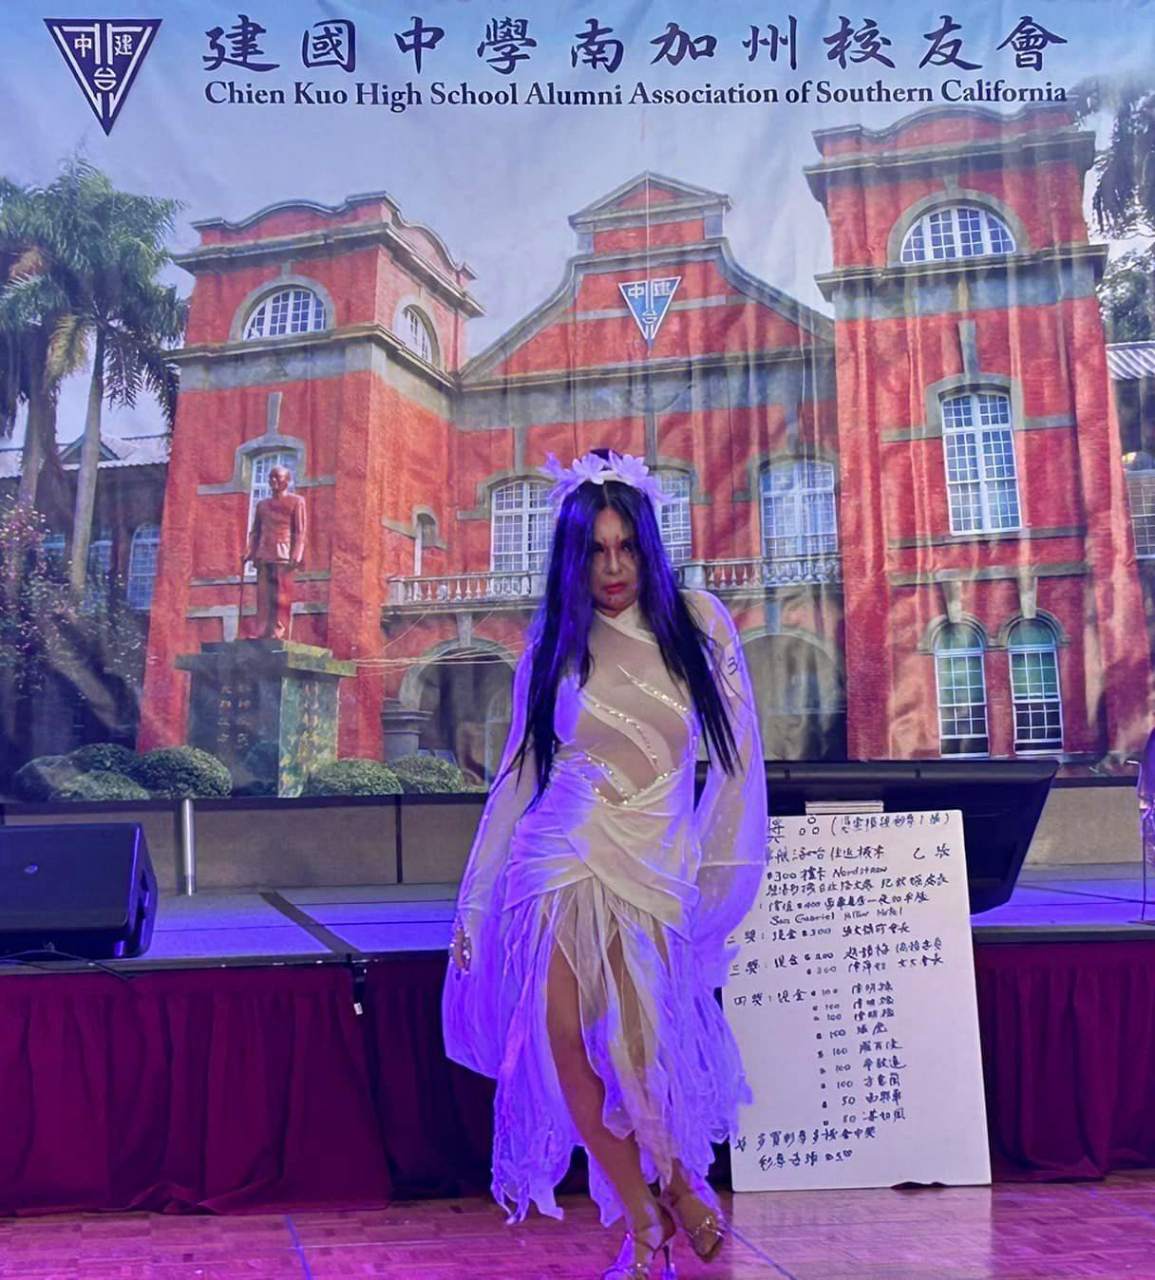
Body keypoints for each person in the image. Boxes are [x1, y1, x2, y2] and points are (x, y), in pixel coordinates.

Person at [443, 448, 767, 1279]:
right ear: (572, 558)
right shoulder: (551, 648)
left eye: (625, 548)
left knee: (631, 1045)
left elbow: (736, 765)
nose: (612, 568)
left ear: (648, 547)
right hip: (556, 851)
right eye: (594, 551)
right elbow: (517, 777)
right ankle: (649, 1218)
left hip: (652, 861)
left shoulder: (698, 622)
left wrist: (711, 870)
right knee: (561, 1040)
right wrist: (474, 901)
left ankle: (675, 1184)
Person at [242, 464, 307, 640]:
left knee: (280, 595)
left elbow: (300, 531)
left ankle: (279, 630)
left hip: (283, 555)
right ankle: (261, 629)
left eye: (278, 477)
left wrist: (297, 554)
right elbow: (255, 531)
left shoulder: (296, 501)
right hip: (264, 553)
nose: (273, 481)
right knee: (263, 595)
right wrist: (250, 550)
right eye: (271, 477)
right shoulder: (262, 505)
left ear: (288, 481)